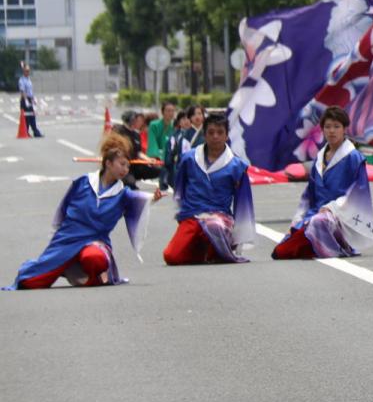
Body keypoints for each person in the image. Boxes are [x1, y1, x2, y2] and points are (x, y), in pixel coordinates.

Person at [4, 134, 162, 290]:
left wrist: (153, 198)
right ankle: (56, 266)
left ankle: (93, 277)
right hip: (68, 238)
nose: (125, 170)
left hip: (96, 241)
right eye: (122, 164)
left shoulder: (123, 193)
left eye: (128, 166)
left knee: (95, 258)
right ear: (108, 163)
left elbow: (139, 199)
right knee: (28, 281)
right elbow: (63, 208)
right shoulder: (83, 182)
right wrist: (56, 235)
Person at [272, 106, 373, 260]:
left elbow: (359, 194)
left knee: (319, 222)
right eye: (327, 127)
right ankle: (312, 242)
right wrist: (296, 221)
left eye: (336, 126)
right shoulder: (319, 159)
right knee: (280, 252)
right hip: (315, 214)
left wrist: (330, 208)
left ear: (344, 129)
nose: (332, 131)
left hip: (341, 217)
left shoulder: (354, 158)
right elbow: (308, 195)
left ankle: (337, 246)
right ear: (322, 130)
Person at [163, 113, 255, 265]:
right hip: (193, 215)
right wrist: (183, 213)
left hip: (220, 217)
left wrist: (240, 236)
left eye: (220, 133)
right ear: (204, 135)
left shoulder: (236, 165)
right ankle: (202, 249)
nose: (215, 137)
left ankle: (220, 245)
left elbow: (243, 204)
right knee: (171, 256)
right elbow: (180, 187)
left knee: (215, 226)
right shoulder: (189, 158)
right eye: (211, 132)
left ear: (227, 136)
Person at [17, 62, 43, 137]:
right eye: (26, 71)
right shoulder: (21, 80)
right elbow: (23, 91)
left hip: (29, 99)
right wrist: (26, 101)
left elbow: (30, 91)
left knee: (32, 116)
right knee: (26, 117)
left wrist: (33, 99)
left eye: (29, 71)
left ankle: (35, 132)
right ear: (23, 71)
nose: (28, 72)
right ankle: (27, 132)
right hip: (24, 100)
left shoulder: (28, 80)